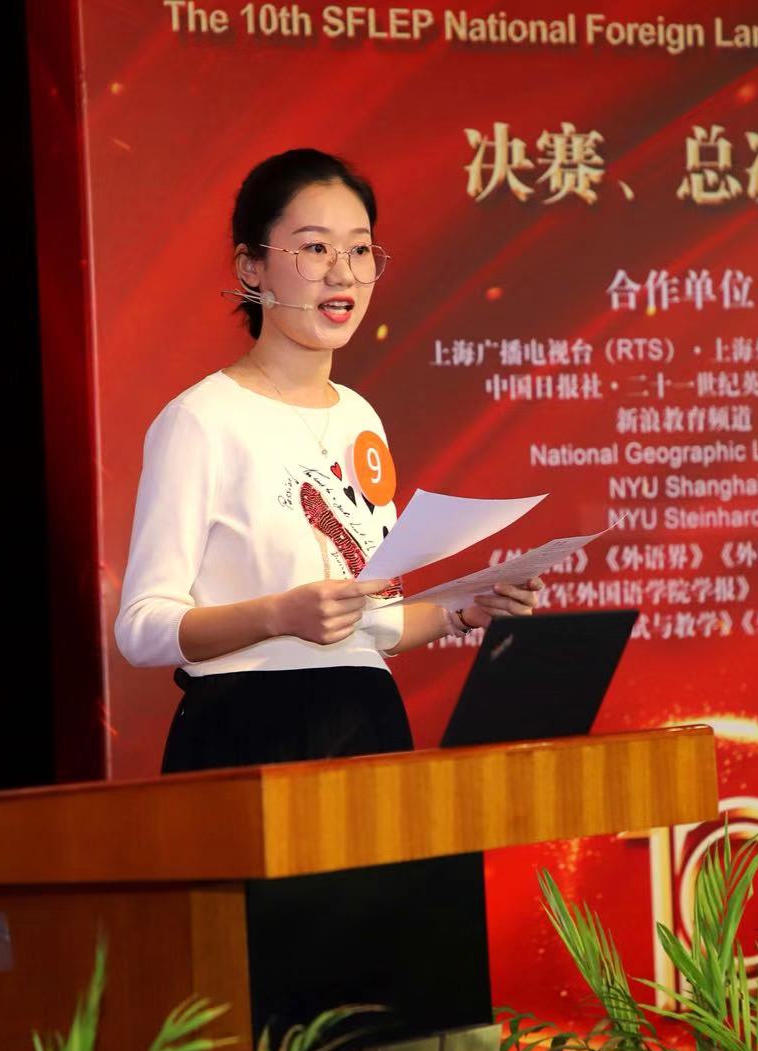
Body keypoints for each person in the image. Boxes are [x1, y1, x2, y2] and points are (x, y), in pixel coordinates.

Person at [114, 148, 543, 774]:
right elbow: (141, 628)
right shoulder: (200, 419)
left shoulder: (358, 416)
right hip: (248, 734)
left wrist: (462, 612)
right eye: (315, 248)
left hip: (367, 721)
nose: (342, 273)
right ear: (251, 266)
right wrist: (277, 614)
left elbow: (370, 623)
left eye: (360, 249)